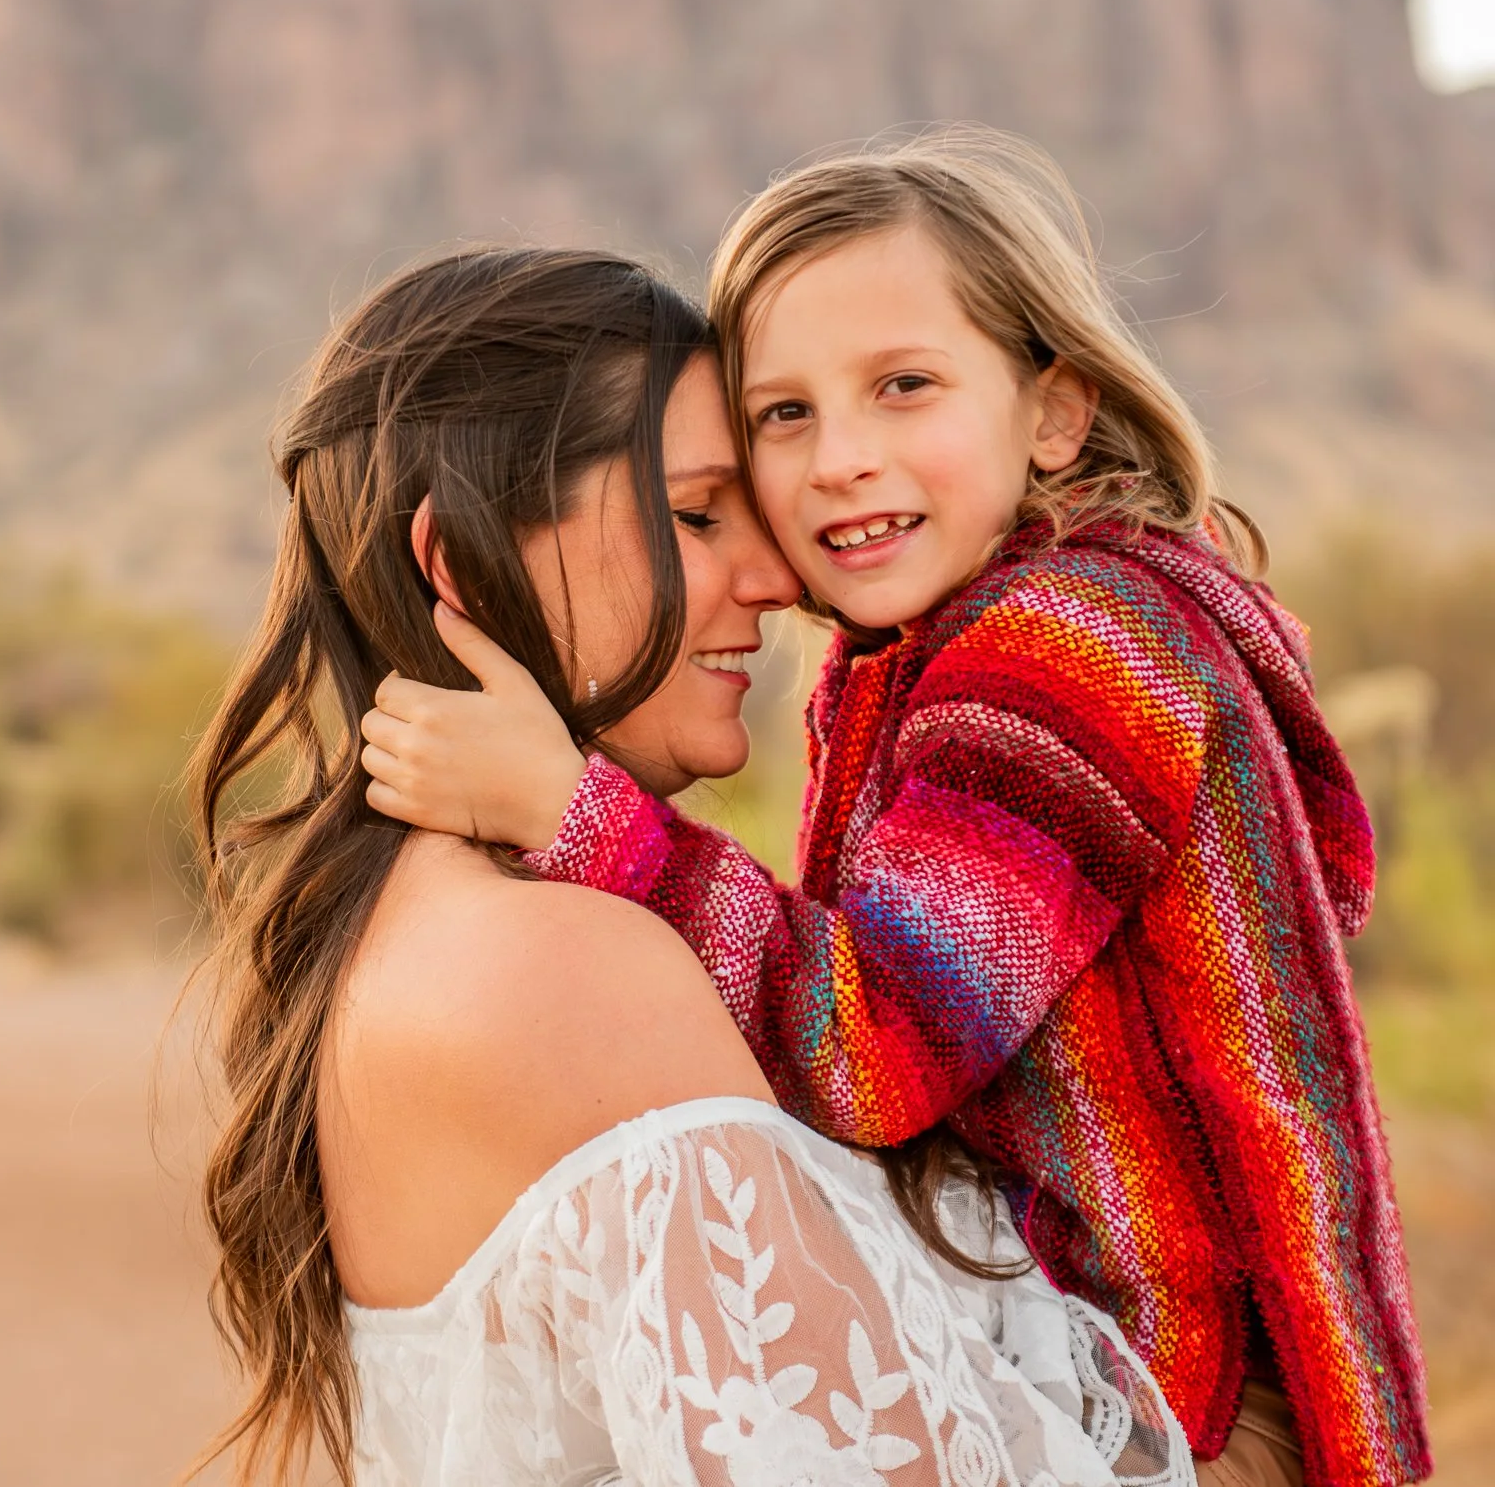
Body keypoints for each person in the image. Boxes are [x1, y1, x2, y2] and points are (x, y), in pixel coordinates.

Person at [358, 133, 1430, 1487]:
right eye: (782, 416)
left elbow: (878, 1040)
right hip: (1098, 1352)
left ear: (1054, 412)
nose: (839, 460)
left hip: (1183, 1402)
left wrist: (577, 814)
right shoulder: (932, 654)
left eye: (903, 387)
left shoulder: (1073, 652)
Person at [188, 246, 1195, 1486]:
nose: (776, 579)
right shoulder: (564, 967)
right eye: (697, 513)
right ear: (459, 562)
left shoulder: (409, 925)